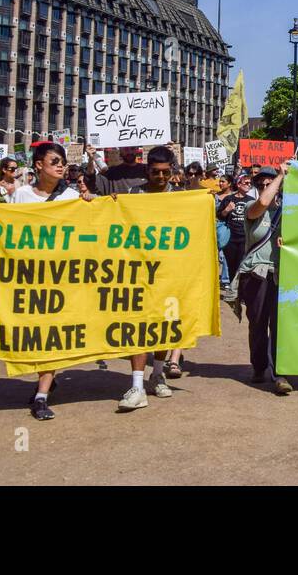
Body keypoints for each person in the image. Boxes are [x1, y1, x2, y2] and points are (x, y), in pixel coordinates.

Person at [7, 142, 86, 420]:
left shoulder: (72, 196)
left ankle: (41, 394)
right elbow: (6, 229)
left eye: (62, 161)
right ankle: (47, 380)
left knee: (52, 334)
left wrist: (94, 204)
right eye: (55, 161)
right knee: (34, 333)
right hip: (30, 278)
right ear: (39, 165)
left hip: (62, 277)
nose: (61, 165)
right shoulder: (21, 196)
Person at [118, 146, 180, 410]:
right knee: (138, 327)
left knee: (163, 328)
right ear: (147, 171)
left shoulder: (181, 197)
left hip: (170, 273)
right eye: (156, 173)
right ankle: (137, 385)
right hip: (139, 273)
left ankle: (157, 375)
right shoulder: (134, 194)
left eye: (166, 172)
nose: (162, 177)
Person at [233, 164, 292, 395]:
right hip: (256, 273)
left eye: (269, 183)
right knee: (258, 324)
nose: (265, 186)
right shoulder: (252, 207)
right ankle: (259, 366)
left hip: (281, 274)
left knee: (280, 327)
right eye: (261, 184)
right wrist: (279, 176)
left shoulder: (290, 210)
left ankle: (280, 373)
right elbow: (263, 203)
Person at [218, 170, 255, 281]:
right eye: (246, 183)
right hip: (230, 238)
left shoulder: (252, 201)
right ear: (239, 184)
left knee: (242, 265)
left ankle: (240, 292)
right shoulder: (228, 199)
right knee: (231, 265)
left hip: (245, 238)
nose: (249, 185)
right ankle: (233, 289)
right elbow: (219, 216)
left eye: (250, 183)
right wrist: (227, 210)